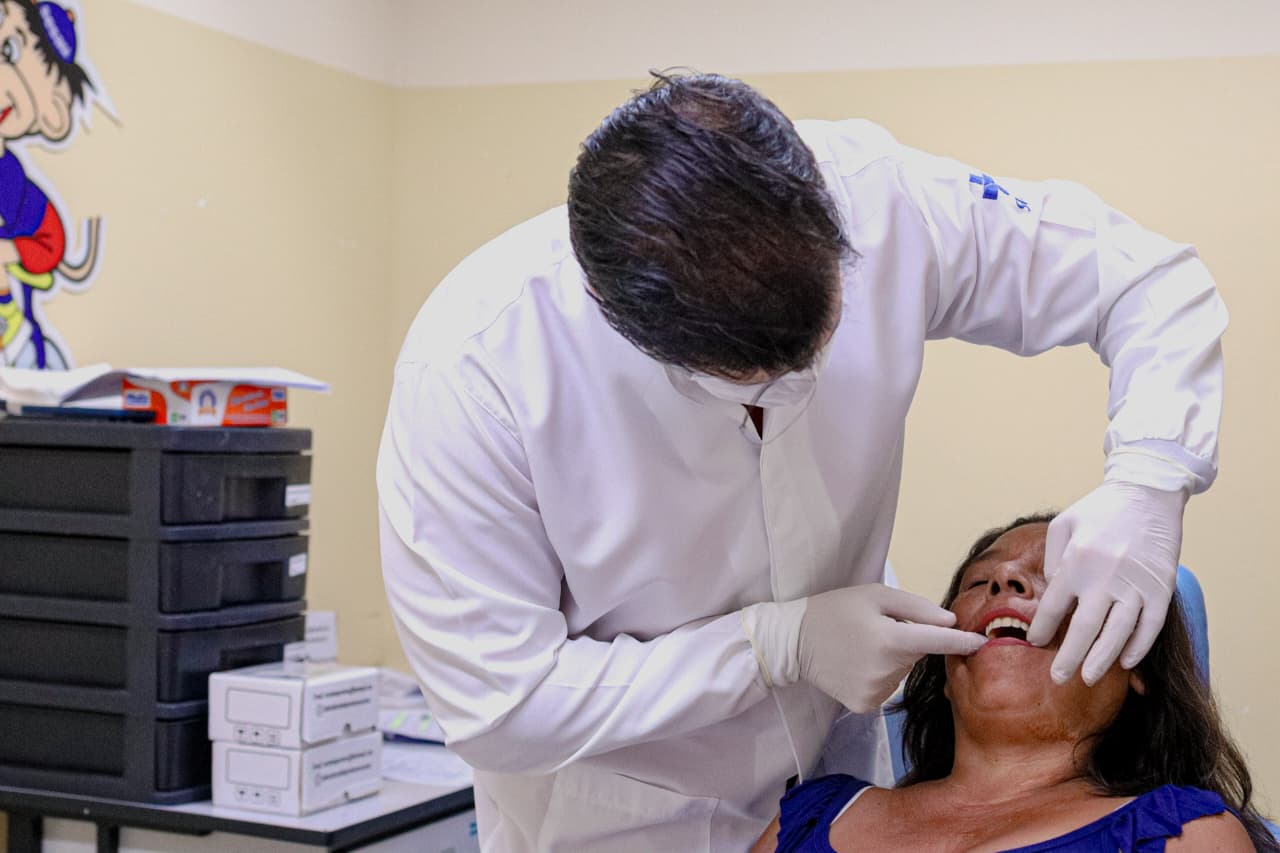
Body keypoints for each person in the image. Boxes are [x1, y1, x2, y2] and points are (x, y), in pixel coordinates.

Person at [377, 71, 1227, 850]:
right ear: (613, 311)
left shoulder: (888, 202)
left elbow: (1148, 282)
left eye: (813, 350)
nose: (790, 395)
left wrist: (1153, 473)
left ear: (826, 211)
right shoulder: (476, 370)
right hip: (614, 814)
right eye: (745, 379)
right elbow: (502, 703)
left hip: (827, 761)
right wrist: (773, 645)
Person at [751, 515, 1278, 853]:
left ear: (1135, 661)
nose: (1004, 580)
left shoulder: (1182, 836)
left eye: (1057, 577)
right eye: (979, 582)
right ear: (943, 675)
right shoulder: (810, 817)